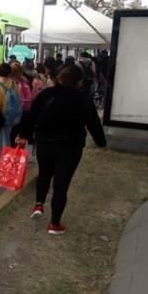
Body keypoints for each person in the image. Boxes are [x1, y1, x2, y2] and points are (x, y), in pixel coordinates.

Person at [18, 65, 107, 235]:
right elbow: (94, 123)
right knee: (61, 183)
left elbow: (31, 115)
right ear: (79, 82)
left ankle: (38, 204)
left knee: (44, 173)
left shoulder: (46, 94)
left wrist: (23, 134)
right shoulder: (82, 99)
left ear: (59, 78)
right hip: (71, 146)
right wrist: (101, 142)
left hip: (45, 142)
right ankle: (54, 224)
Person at [0, 63, 22, 158]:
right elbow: (19, 98)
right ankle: (7, 157)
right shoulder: (14, 83)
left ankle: (0, 159)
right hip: (12, 116)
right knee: (8, 137)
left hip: (0, 116)